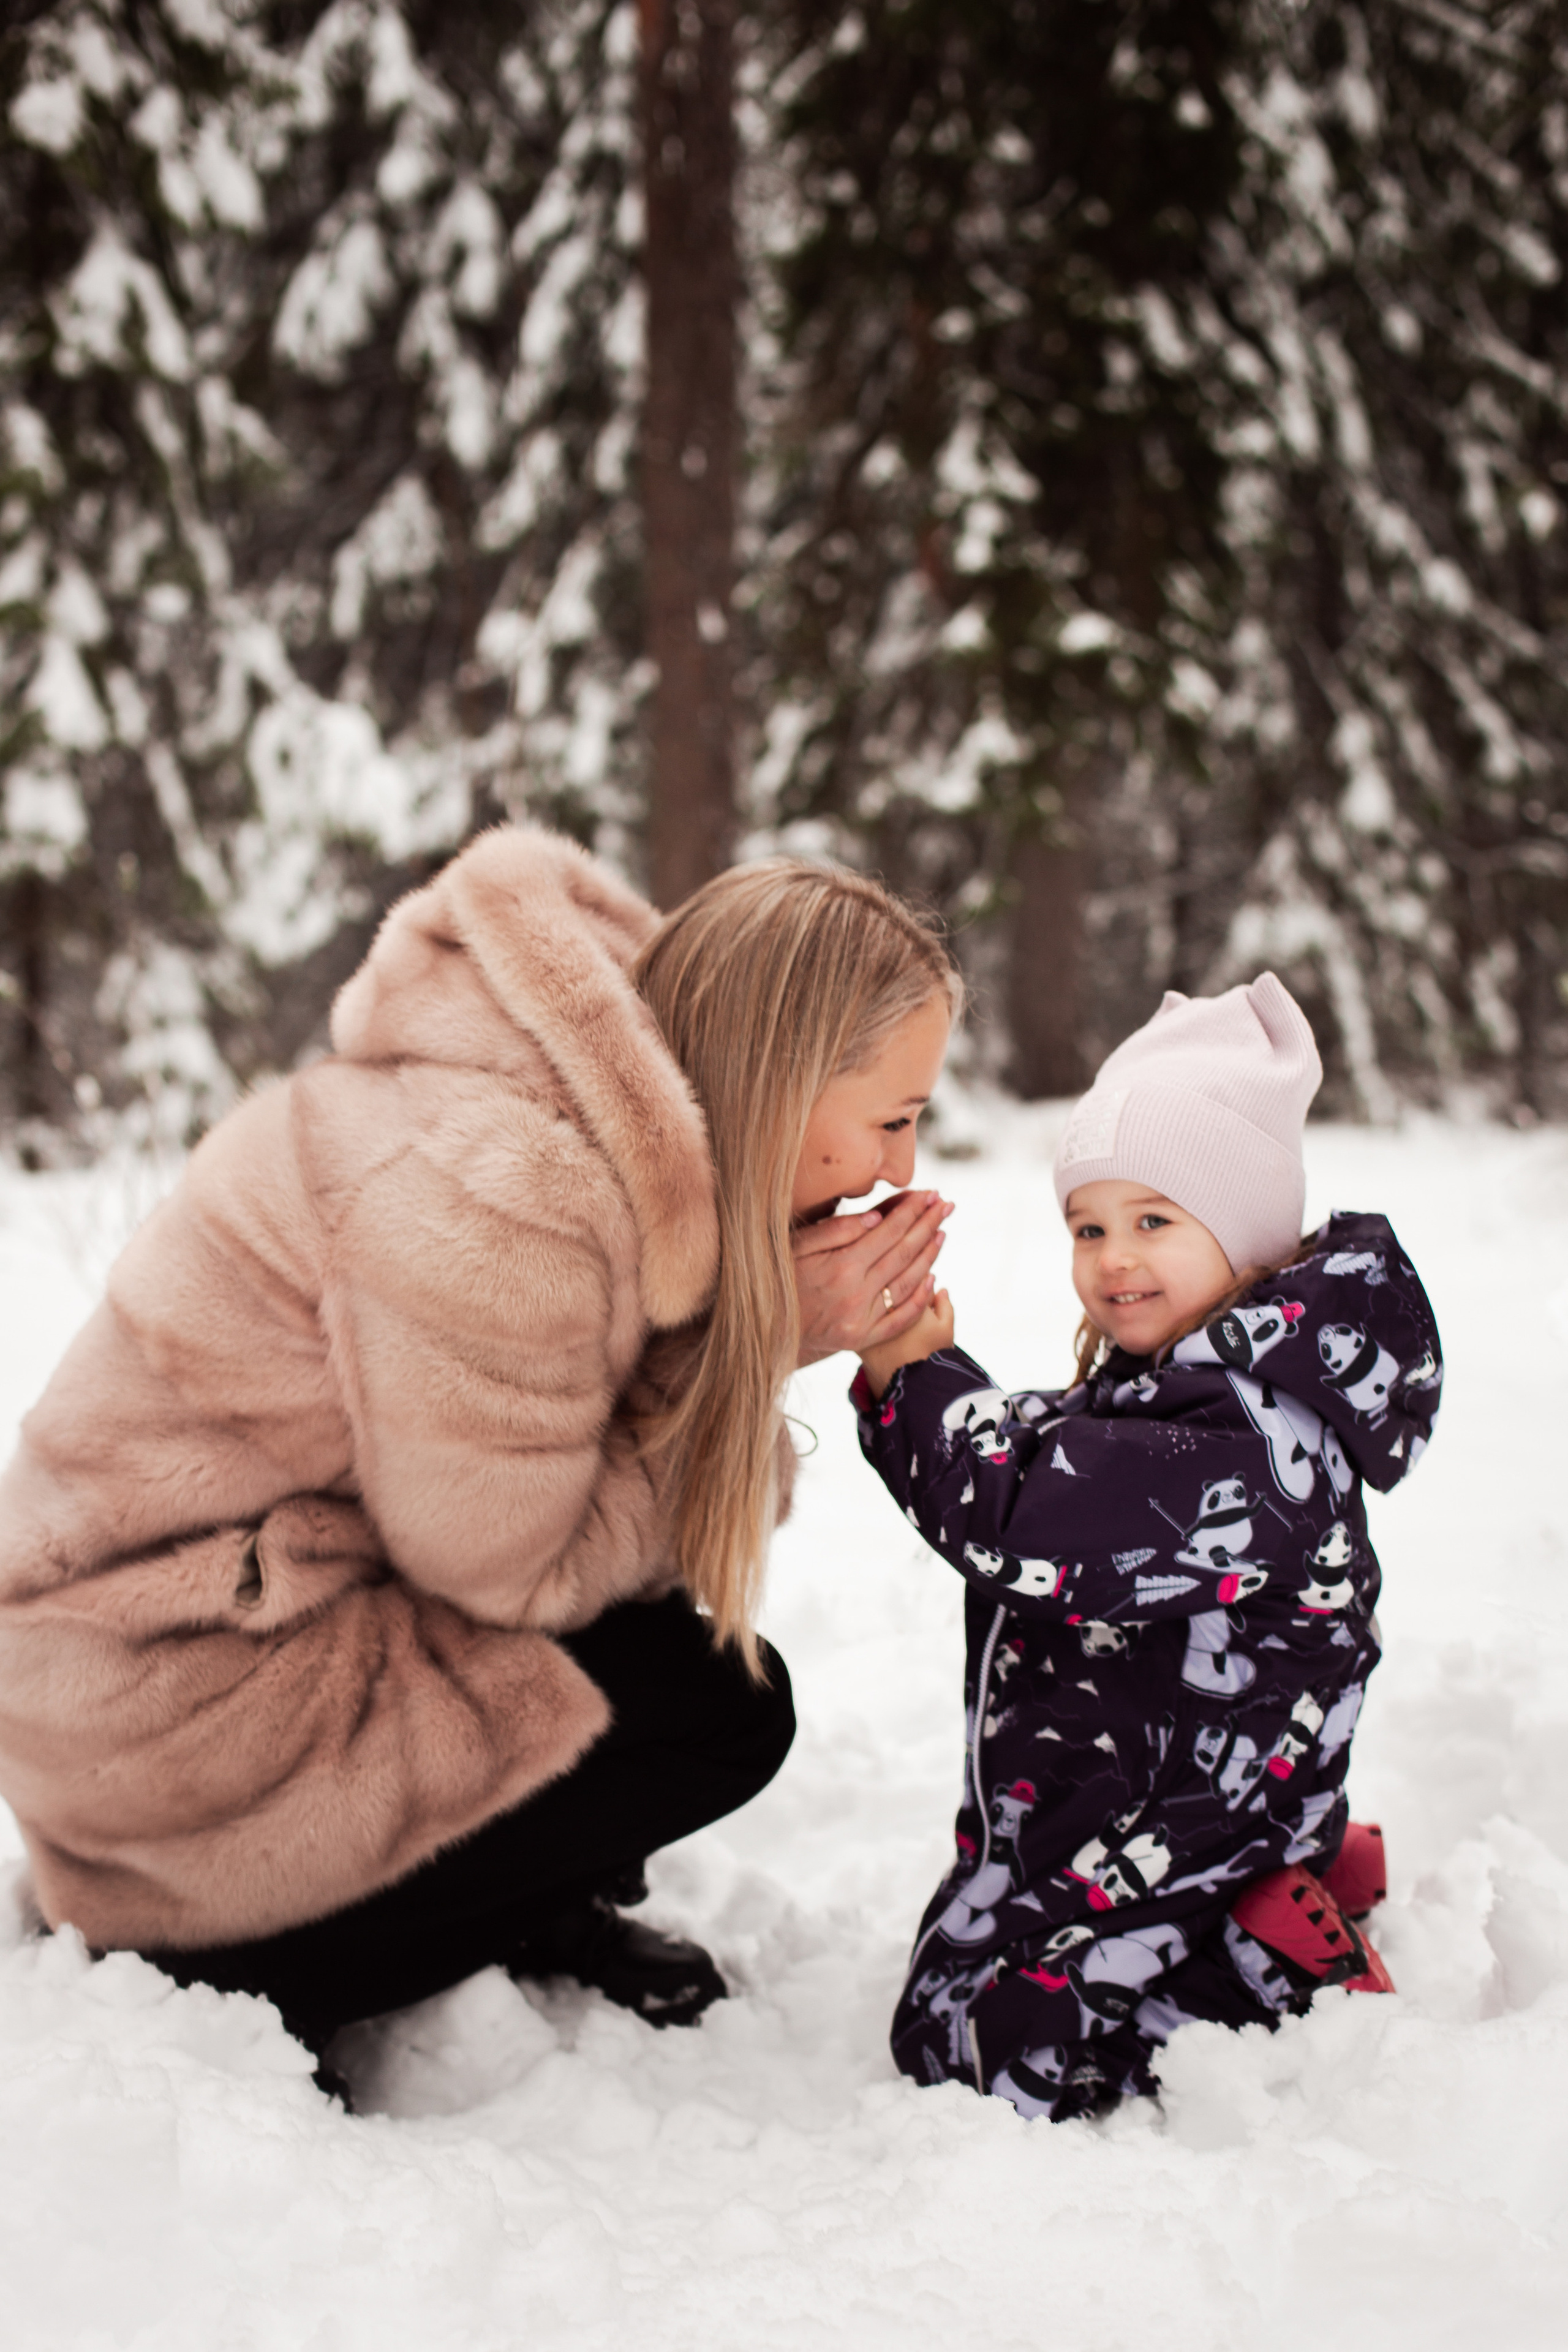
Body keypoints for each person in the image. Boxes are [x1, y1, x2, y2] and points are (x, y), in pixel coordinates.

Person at [0, 824, 957, 2084]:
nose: (897, 1167)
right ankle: (239, 1965)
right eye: (889, 1119)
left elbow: (549, 1465)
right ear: (775, 1083)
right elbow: (515, 1575)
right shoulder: (508, 1186)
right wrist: (762, 1338)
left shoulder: (594, 1131)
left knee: (668, 1665)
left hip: (237, 1631)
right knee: (707, 1710)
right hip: (163, 1711)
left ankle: (495, 1899)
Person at [850, 973, 1442, 2121]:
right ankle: (1287, 1880)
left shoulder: (1247, 1433)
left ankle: (1267, 1965)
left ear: (1248, 1227)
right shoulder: (1212, 1388)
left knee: (973, 2044)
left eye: (1154, 1221)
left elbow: (1033, 1513)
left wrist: (911, 1381)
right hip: (1160, 1802)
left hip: (1175, 1820)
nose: (1114, 1258)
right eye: (1090, 1225)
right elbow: (1071, 1457)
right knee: (963, 1984)